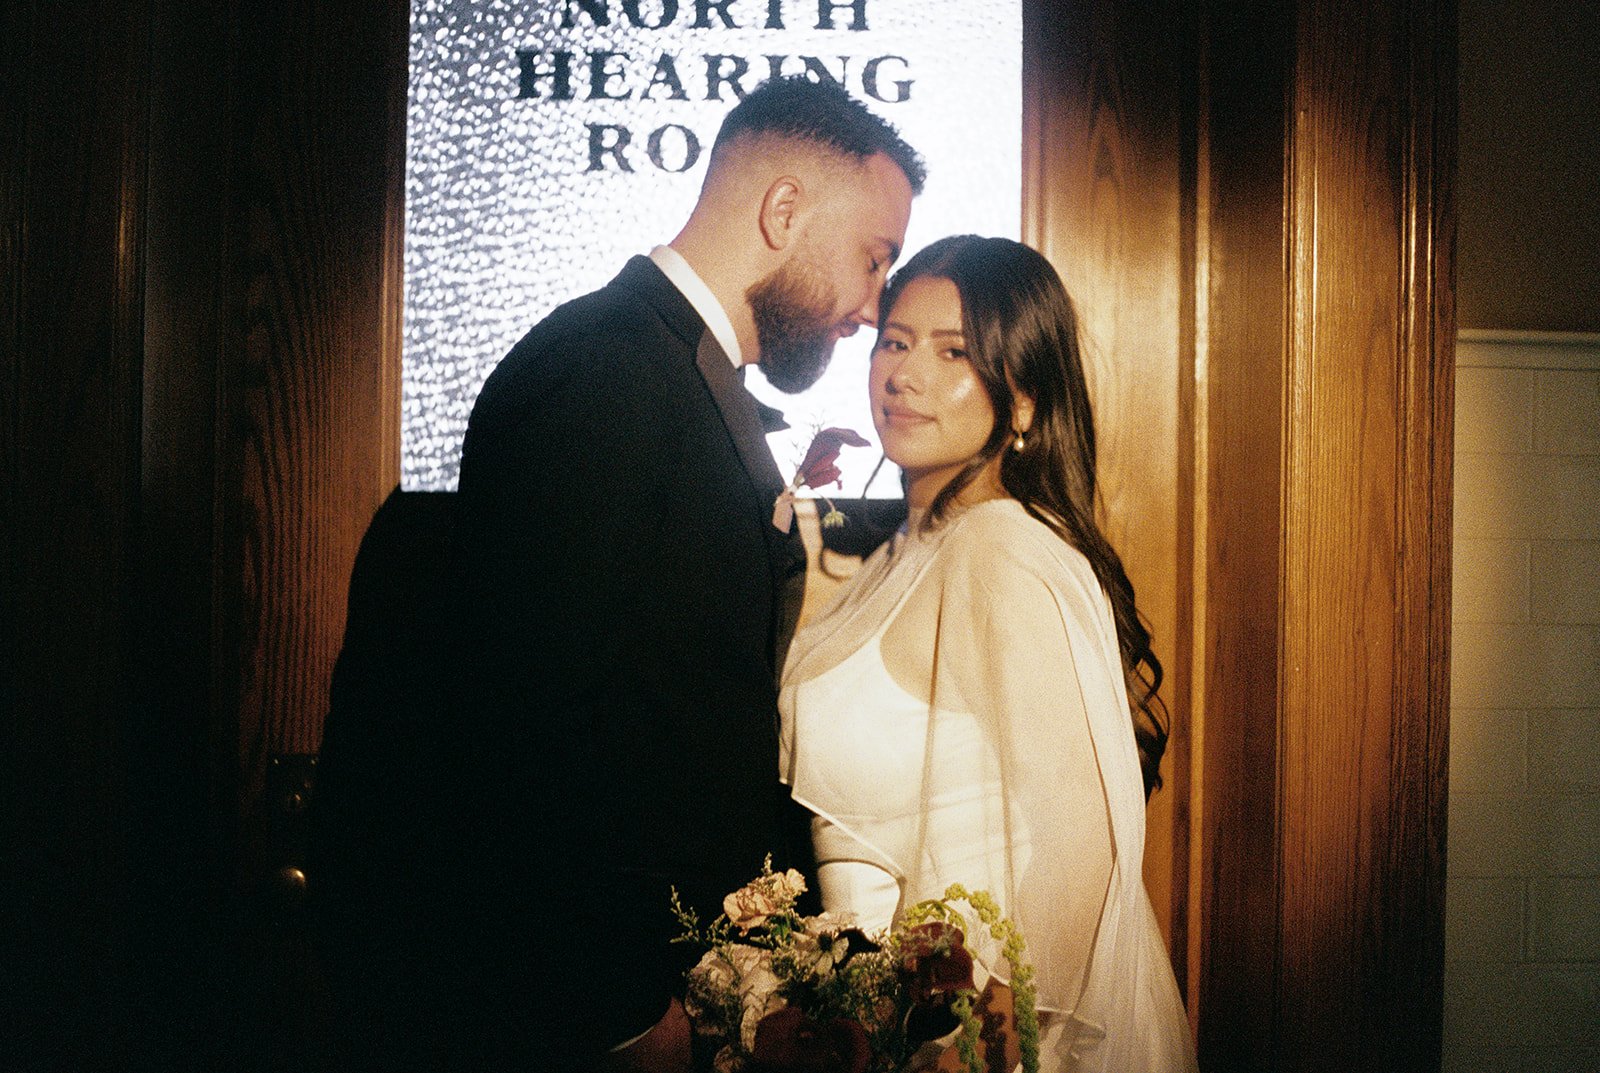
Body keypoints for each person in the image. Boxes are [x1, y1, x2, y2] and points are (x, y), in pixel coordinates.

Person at [442, 77, 923, 1072]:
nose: (872, 308)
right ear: (783, 210)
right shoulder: (603, 373)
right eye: (874, 259)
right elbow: (523, 724)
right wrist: (619, 1008)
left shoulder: (679, 373)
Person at [779, 236, 1198, 1071]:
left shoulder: (1000, 549)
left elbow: (1082, 853)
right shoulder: (907, 550)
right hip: (884, 1020)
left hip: (986, 1037)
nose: (905, 376)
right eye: (894, 342)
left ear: (1026, 402)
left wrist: (976, 1049)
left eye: (954, 353)